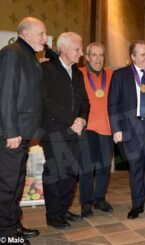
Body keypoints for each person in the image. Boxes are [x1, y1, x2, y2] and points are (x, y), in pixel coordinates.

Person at [0, 17, 47, 244]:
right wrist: (11, 132)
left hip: (23, 134)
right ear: (26, 33)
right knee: (6, 185)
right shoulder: (13, 52)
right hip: (12, 135)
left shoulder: (28, 55)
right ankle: (5, 235)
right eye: (41, 34)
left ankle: (13, 225)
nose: (45, 39)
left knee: (17, 183)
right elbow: (6, 94)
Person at [41, 32, 90, 229]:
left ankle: (62, 209)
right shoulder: (46, 69)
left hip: (74, 131)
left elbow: (85, 102)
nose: (81, 54)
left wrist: (82, 119)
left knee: (71, 172)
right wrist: (72, 119)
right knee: (55, 172)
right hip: (54, 130)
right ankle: (53, 215)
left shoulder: (78, 73)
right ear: (64, 49)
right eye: (77, 49)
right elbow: (46, 101)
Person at [109, 40, 145, 220]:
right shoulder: (120, 75)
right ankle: (137, 204)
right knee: (135, 167)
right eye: (142, 54)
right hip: (131, 127)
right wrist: (116, 129)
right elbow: (113, 104)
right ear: (132, 57)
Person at [78, 42, 114, 218]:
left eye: (101, 55)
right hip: (87, 127)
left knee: (104, 167)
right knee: (86, 167)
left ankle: (99, 199)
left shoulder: (111, 74)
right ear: (87, 57)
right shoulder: (78, 74)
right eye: (94, 55)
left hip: (107, 128)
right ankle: (86, 203)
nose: (98, 59)